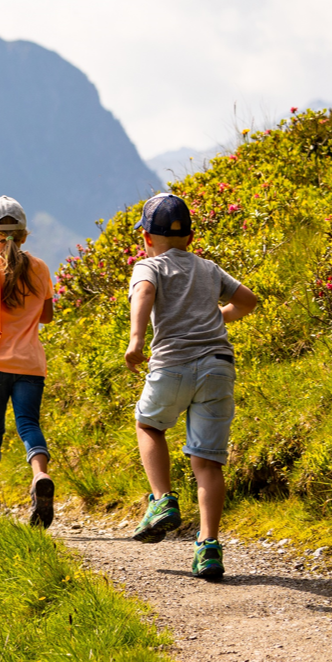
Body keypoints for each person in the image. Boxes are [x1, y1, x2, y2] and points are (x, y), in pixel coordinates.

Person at [125, 193, 258, 579]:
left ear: (147, 237)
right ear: (191, 236)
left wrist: (136, 340)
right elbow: (248, 300)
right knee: (207, 461)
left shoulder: (148, 266)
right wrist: (219, 315)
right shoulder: (209, 268)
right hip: (218, 367)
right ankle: (208, 547)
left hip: (173, 364)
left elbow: (146, 293)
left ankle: (162, 500)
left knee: (149, 424)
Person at [0, 196, 57, 527]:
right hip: (30, 365)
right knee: (28, 424)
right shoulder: (40, 267)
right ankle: (39, 476)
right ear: (24, 235)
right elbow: (47, 316)